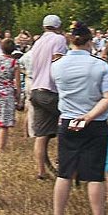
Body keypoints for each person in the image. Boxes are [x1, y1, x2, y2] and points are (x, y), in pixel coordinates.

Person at [50, 21, 108, 215]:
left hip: (68, 120)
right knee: (94, 175)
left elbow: (57, 89)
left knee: (64, 173)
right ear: (90, 42)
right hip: (94, 122)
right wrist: (88, 116)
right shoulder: (99, 66)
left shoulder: (57, 66)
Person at [26, 14, 68, 180]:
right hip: (51, 90)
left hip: (36, 90)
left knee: (41, 134)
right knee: (68, 124)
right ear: (58, 27)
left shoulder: (37, 42)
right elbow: (59, 61)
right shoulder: (59, 40)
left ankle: (41, 172)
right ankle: (63, 164)